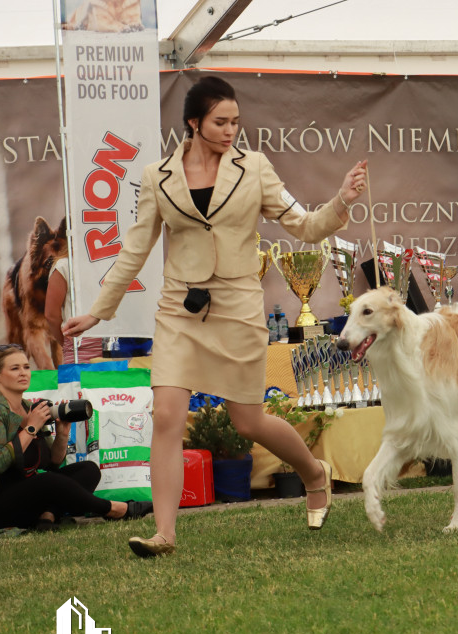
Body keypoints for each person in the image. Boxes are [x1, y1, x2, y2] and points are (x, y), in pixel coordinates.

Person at [63, 75, 367, 558]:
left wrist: (342, 202)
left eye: (235, 122)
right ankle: (165, 533)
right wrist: (99, 312)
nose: (231, 131)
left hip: (239, 309)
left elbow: (305, 226)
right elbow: (135, 249)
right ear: (193, 123)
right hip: (180, 310)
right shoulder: (157, 177)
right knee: (166, 415)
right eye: (221, 122)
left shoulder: (256, 169)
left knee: (247, 421)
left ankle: (313, 472)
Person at [0, 345, 151, 537]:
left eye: (26, 367)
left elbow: (52, 463)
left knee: (88, 470)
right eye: (14, 369)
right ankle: (116, 509)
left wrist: (62, 433)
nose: (23, 373)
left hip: (25, 494)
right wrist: (31, 427)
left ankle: (46, 518)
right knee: (48, 482)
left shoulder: (29, 406)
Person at [46, 255, 104, 364]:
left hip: (116, 347)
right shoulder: (65, 265)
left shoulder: (64, 265)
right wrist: (67, 342)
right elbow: (51, 316)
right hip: (80, 346)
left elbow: (51, 316)